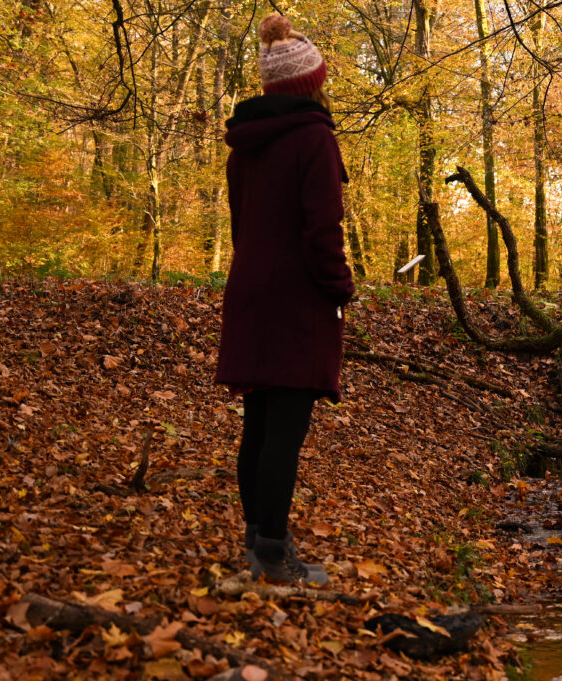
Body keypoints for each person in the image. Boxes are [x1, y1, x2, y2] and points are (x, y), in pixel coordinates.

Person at [215, 13, 354, 585]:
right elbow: (322, 226)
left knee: (259, 423)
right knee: (285, 431)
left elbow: (242, 223)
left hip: (251, 291)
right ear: (310, 83)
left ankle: (258, 544)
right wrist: (338, 286)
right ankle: (273, 555)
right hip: (297, 300)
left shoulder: (245, 145)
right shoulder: (314, 138)